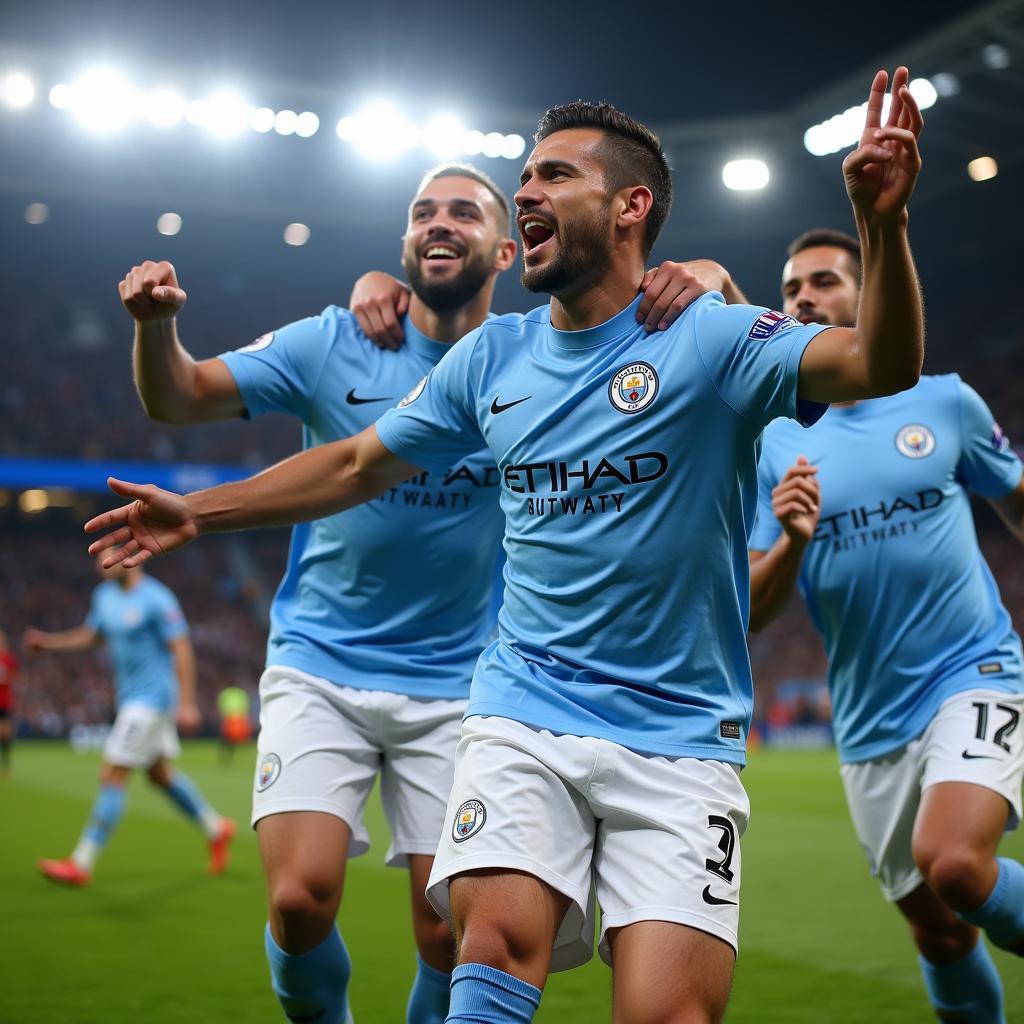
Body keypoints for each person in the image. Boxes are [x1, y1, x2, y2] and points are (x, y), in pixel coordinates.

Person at [87, 68, 924, 1023]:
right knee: (483, 951)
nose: (526, 191)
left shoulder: (714, 337)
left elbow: (878, 363)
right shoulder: (491, 358)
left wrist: (883, 227)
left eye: (553, 176)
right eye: (522, 178)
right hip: (521, 710)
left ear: (628, 206)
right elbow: (359, 465)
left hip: (683, 739)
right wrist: (204, 511)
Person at [119, 160, 720, 1024]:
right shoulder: (334, 340)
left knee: (447, 936)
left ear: (509, 249)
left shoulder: (525, 360)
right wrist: (154, 329)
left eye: (465, 213)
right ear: (402, 244)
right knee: (298, 898)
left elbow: (654, 337)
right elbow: (179, 397)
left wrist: (709, 276)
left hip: (460, 682)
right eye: (422, 212)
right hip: (321, 661)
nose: (440, 223)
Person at [748, 226, 1024, 1023]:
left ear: (865, 297)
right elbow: (759, 610)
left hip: (971, 671)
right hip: (868, 721)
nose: (805, 296)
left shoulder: (944, 401)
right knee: (938, 931)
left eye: (825, 281)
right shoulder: (774, 439)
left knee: (957, 868)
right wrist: (793, 538)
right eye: (793, 287)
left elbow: (1017, 504)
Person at [24, 554, 234, 886]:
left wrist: (189, 702)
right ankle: (216, 828)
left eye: (107, 555)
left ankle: (82, 863)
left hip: (152, 700)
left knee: (112, 775)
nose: (99, 563)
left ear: (130, 556)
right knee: (160, 776)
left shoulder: (157, 598)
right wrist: (48, 643)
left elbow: (181, 648)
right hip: (131, 699)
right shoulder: (103, 596)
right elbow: (92, 636)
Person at [216, 684, 252, 764]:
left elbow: (221, 705)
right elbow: (246, 704)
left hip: (230, 717)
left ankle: (226, 756)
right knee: (232, 738)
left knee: (228, 738)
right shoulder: (241, 692)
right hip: (239, 717)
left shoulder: (225, 693)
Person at [0, 630, 19, 776]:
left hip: (4, 701)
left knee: (5, 733)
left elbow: (15, 677)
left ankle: (6, 765)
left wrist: (6, 680)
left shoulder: (9, 660)